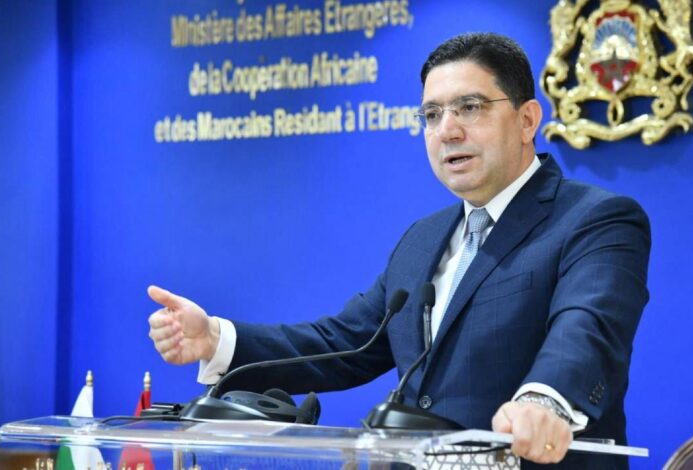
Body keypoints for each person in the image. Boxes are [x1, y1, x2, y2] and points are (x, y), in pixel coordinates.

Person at [148, 32, 650, 469]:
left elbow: (586, 328)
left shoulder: (595, 219)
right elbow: (346, 345)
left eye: (470, 107)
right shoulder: (423, 239)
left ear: (527, 119)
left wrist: (544, 402)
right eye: (432, 114)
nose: (447, 129)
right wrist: (216, 339)